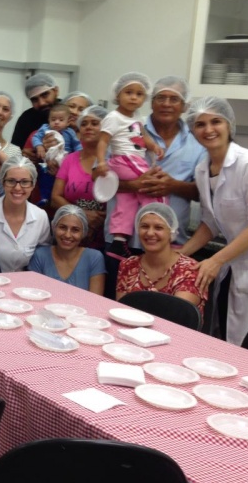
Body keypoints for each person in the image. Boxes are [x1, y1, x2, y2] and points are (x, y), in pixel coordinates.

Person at [180, 97, 248, 345]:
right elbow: (210, 224)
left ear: (229, 124)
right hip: (234, 266)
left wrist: (215, 260)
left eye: (215, 121)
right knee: (228, 339)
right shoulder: (203, 170)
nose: (208, 129)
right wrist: (180, 255)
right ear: (192, 130)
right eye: (200, 124)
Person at [102, 76, 205, 296]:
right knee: (117, 310)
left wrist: (173, 186)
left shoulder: (197, 142)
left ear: (185, 105)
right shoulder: (125, 125)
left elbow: (202, 192)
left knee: (165, 317)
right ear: (151, 101)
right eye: (161, 98)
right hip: (122, 244)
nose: (167, 104)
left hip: (171, 246)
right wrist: (134, 185)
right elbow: (98, 176)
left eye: (174, 99)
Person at [93, 72, 165, 260]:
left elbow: (143, 137)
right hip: (124, 159)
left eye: (139, 94)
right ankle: (161, 223)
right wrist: (101, 162)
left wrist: (153, 146)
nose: (134, 97)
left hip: (132, 161)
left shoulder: (138, 118)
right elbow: (102, 142)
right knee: (155, 186)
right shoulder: (113, 117)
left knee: (127, 203)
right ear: (117, 95)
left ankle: (118, 241)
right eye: (129, 92)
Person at [117, 204, 205, 314]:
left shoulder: (189, 270)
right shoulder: (128, 265)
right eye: (144, 226)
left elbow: (178, 315)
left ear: (171, 232)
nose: (149, 233)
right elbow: (121, 310)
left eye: (158, 227)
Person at [0, 156, 51, 272]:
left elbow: (42, 256)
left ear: (33, 185)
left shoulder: (40, 217)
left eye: (25, 182)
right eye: (11, 181)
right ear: (2, 182)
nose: (17, 187)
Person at [51, 105, 108, 251]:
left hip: (105, 237)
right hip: (70, 237)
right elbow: (56, 197)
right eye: (84, 124)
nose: (88, 127)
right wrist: (82, 215)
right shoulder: (70, 160)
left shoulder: (114, 160)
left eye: (94, 123)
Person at [28, 205, 105, 295]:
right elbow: (33, 295)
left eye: (75, 230)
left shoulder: (94, 258)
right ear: (54, 227)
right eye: (63, 227)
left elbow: (95, 301)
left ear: (84, 232)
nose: (68, 235)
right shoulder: (40, 255)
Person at [11, 73, 59, 151]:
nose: (41, 103)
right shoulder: (26, 119)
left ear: (56, 91)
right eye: (35, 100)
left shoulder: (69, 111)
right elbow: (14, 150)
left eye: (45, 95)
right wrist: (23, 154)